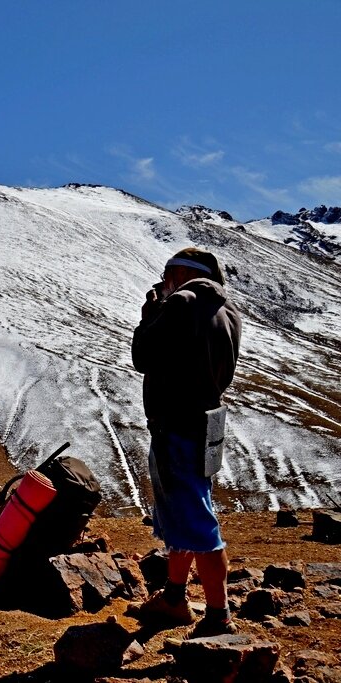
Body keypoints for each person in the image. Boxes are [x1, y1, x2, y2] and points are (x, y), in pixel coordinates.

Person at [128, 246, 243, 638]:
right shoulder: (228, 311)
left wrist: (152, 312)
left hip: (177, 424)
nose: (163, 284)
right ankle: (174, 596)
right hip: (209, 424)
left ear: (179, 274)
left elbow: (143, 355)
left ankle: (218, 616)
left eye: (166, 277)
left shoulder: (182, 301)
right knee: (187, 509)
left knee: (196, 521)